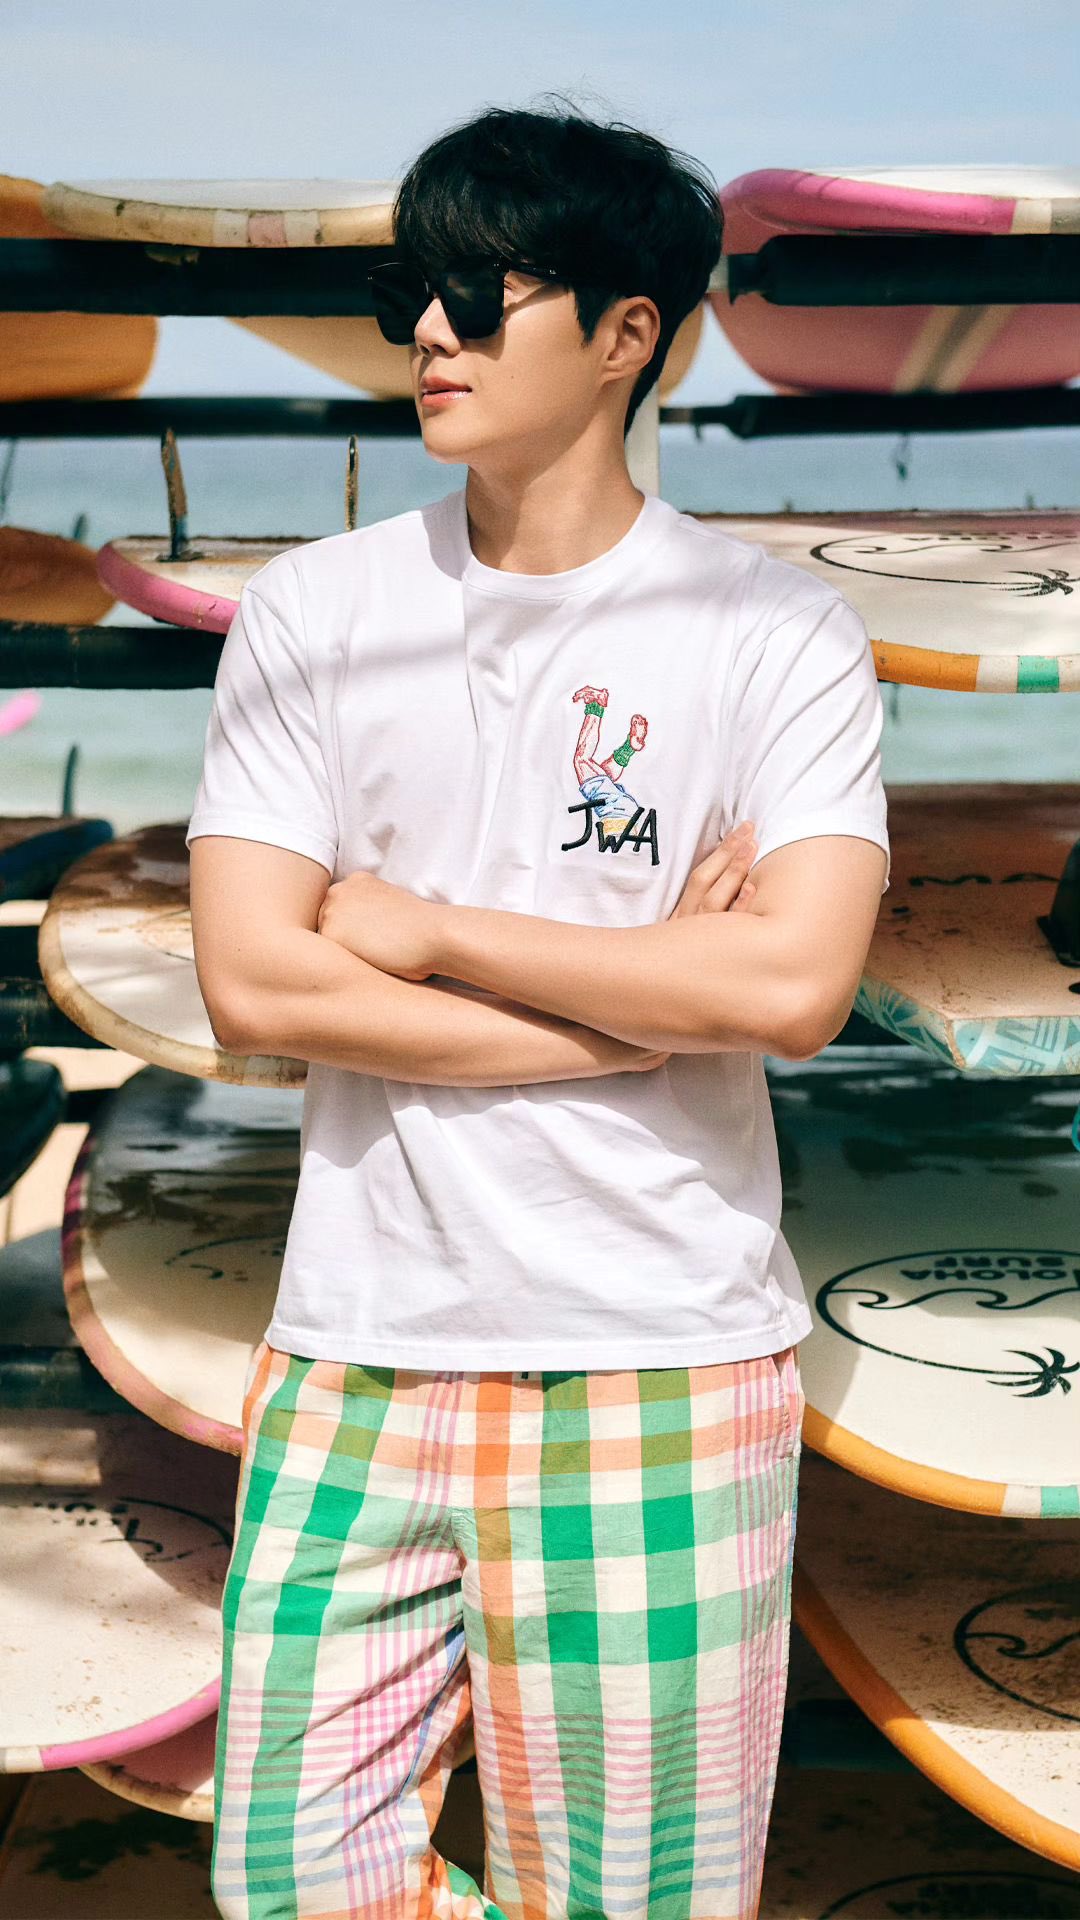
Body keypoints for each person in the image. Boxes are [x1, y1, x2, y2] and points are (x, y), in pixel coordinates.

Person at [187, 94, 890, 1920]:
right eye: (411, 295)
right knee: (286, 1879)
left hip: (658, 1353)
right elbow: (255, 977)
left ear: (627, 332)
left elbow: (794, 982)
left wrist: (425, 931)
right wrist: (638, 1014)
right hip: (358, 1346)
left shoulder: (772, 632)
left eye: (480, 294)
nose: (429, 331)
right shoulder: (313, 612)